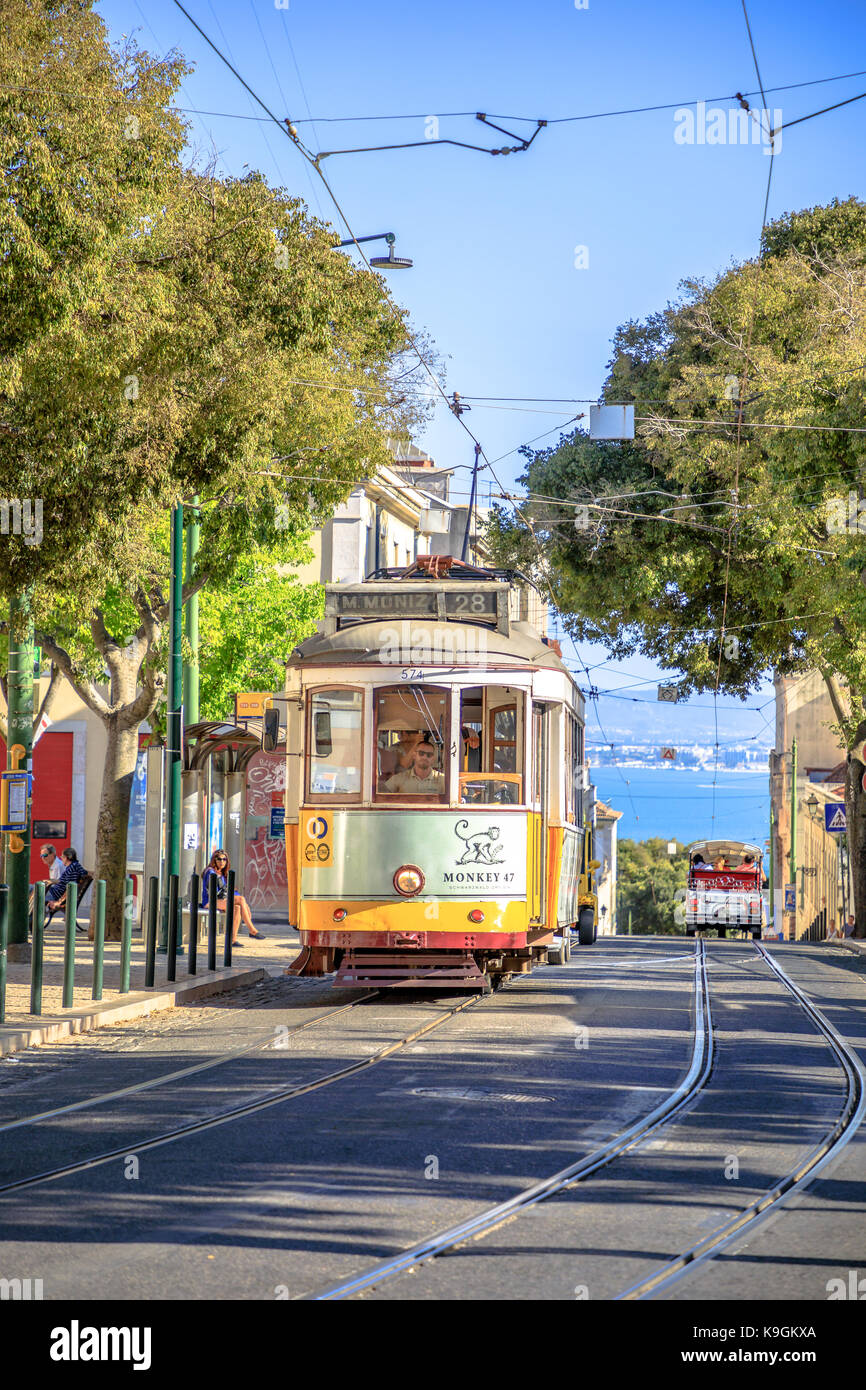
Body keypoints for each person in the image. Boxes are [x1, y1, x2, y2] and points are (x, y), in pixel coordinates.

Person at [200, 850, 265, 945]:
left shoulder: (222, 873)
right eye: (219, 859)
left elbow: (231, 891)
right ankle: (252, 930)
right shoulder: (210, 872)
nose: (222, 862)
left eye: (224, 859)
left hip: (221, 900)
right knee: (241, 899)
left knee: (238, 908)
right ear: (214, 860)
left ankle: (232, 940)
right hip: (210, 901)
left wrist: (244, 905)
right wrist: (239, 900)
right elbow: (216, 892)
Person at [45, 847, 89, 933]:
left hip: (55, 894)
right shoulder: (75, 866)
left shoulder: (71, 869)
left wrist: (59, 902)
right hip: (55, 892)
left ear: (67, 857)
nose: (61, 858)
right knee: (32, 890)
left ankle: (30, 922)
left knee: (32, 892)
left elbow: (69, 887)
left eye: (62, 857)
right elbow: (84, 873)